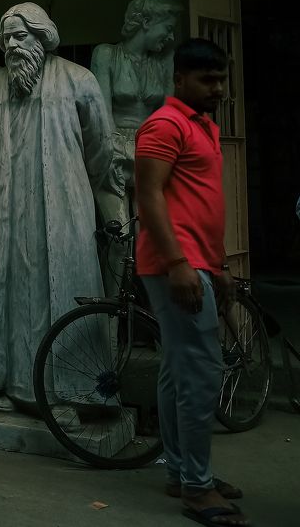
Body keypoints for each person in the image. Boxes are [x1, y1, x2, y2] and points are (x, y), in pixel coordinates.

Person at [0, 2, 112, 422]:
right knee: (15, 293)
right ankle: (15, 385)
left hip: (66, 206)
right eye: (7, 39)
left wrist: (71, 186)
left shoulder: (79, 80)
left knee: (67, 288)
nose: (13, 45)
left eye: (22, 36)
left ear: (43, 37)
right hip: (12, 208)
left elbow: (101, 148)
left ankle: (73, 392)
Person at [135, 39, 249, 527]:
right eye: (207, 79)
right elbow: (149, 196)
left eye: (221, 79)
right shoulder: (164, 124)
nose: (218, 88)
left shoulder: (203, 125)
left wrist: (217, 266)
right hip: (175, 266)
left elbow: (202, 203)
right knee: (201, 373)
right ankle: (197, 489)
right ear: (179, 79)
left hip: (198, 263)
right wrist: (180, 263)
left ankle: (183, 473)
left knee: (177, 370)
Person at [91, 0, 178, 293]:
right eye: (166, 27)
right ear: (145, 22)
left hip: (149, 156)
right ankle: (111, 331)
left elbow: (168, 116)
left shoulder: (164, 60)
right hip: (114, 155)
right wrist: (111, 157)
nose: (170, 36)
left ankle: (154, 328)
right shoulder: (105, 55)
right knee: (119, 244)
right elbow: (101, 117)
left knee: (152, 242)